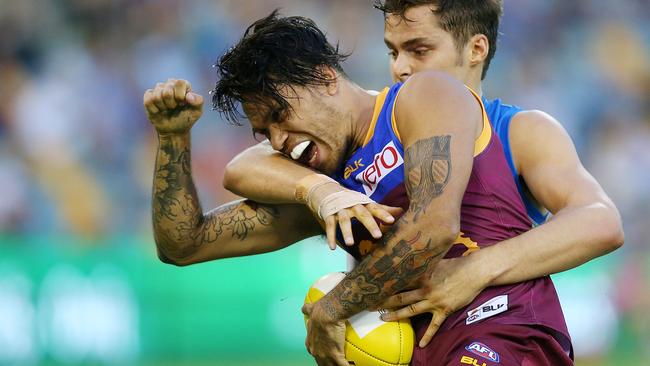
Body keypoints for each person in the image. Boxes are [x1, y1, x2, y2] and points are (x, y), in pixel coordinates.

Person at [221, 0, 625, 359]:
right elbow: (245, 165)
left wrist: (475, 269)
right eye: (392, 51)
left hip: (495, 332)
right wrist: (318, 190)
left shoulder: (518, 130)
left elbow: (600, 221)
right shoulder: (358, 139)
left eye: (418, 49)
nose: (400, 67)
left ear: (475, 49)